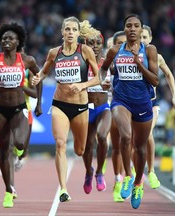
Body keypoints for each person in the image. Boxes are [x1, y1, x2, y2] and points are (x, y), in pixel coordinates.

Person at [32, 16, 100, 202]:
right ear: (62, 32)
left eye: (73, 30)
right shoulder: (54, 53)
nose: (70, 33)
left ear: (79, 33)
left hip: (80, 106)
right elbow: (45, 71)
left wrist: (83, 85)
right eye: (67, 29)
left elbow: (98, 78)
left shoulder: (84, 51)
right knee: (60, 144)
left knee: (80, 150)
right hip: (59, 104)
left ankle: (89, 170)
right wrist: (38, 77)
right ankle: (63, 189)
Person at [0, 22, 41, 208]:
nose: (6, 41)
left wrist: (39, 104)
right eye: (4, 38)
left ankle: (21, 152)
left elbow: (39, 79)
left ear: (18, 41)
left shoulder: (27, 60)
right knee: (3, 151)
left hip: (19, 108)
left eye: (10, 38)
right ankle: (8, 190)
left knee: (19, 143)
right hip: (0, 111)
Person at [99, 14, 159, 209]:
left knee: (140, 148)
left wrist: (139, 64)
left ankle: (138, 183)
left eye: (136, 26)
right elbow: (104, 69)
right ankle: (127, 176)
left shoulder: (149, 50)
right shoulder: (115, 50)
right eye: (128, 26)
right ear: (124, 29)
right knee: (126, 137)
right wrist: (104, 81)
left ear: (141, 30)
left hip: (142, 103)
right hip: (120, 100)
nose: (132, 29)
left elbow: (155, 80)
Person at [139, 24, 175, 189]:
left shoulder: (158, 57)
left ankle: (152, 171)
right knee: (136, 139)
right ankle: (137, 172)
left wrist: (174, 97)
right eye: (139, 37)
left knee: (148, 134)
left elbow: (169, 75)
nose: (142, 40)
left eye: (145, 37)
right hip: (135, 103)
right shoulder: (130, 56)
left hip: (152, 104)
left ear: (151, 39)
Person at [79, 22, 111, 194]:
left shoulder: (108, 63)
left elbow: (119, 83)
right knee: (87, 145)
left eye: (98, 43)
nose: (95, 46)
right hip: (85, 109)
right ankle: (88, 171)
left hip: (103, 108)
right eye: (91, 43)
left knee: (102, 135)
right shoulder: (80, 63)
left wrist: (111, 87)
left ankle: (99, 171)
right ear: (85, 45)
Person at [107, 31, 127, 202]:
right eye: (118, 43)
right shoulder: (108, 62)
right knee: (117, 147)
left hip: (133, 106)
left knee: (132, 145)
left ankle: (132, 176)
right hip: (114, 105)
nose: (121, 46)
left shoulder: (136, 59)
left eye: (124, 43)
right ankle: (117, 180)